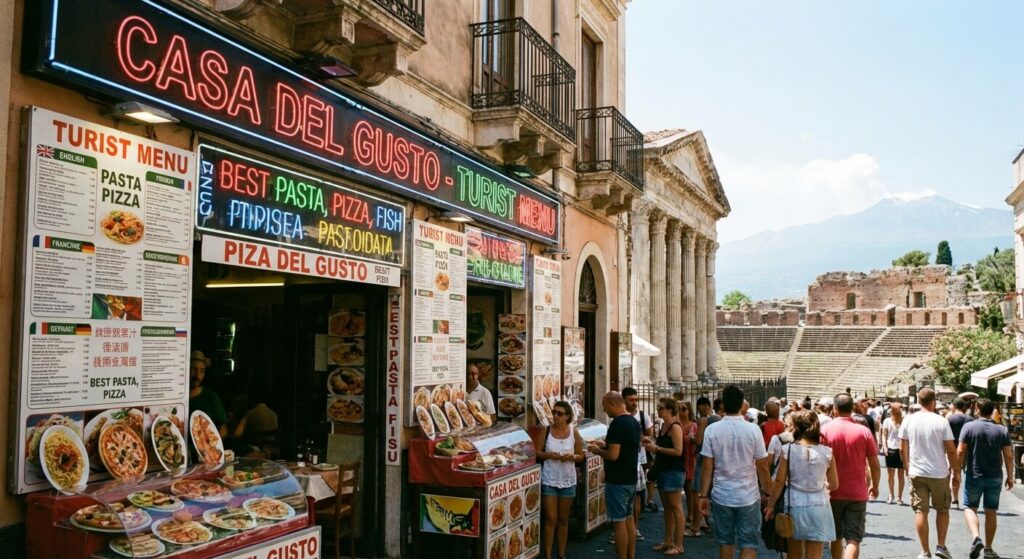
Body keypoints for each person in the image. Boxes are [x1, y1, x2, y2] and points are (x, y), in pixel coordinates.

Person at [698, 385, 772, 559]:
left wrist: (703, 495)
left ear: (723, 404)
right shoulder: (753, 430)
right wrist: (768, 493)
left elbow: (707, 466)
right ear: (741, 404)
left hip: (722, 495)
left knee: (726, 542)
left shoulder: (712, 430)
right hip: (748, 495)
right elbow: (762, 466)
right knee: (749, 544)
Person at [765, 411, 839, 559]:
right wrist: (821, 484)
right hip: (819, 504)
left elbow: (779, 481)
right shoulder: (827, 452)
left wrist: (770, 505)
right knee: (814, 555)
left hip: (794, 504)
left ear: (797, 427)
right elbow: (834, 485)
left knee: (794, 553)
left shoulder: (788, 450)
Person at [900, 388, 958, 559]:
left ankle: (925, 551)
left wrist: (907, 467)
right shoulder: (941, 421)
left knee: (920, 511)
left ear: (919, 401)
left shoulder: (909, 420)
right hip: (939, 472)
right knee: (942, 509)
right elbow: (951, 449)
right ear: (934, 401)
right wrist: (956, 472)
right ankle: (941, 545)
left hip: (917, 471)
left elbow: (903, 447)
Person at [820, 393, 880, 559]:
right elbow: (874, 464)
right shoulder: (863, 431)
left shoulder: (824, 430)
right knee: (853, 538)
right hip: (857, 492)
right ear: (852, 408)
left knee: (835, 536)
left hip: (832, 491)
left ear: (835, 408)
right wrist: (874, 485)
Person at [957, 400, 1014, 559]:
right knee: (991, 511)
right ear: (993, 411)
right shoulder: (1002, 430)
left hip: (974, 475)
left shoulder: (969, 427)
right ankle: (988, 549)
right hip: (995, 476)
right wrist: (1010, 477)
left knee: (970, 507)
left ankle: (976, 537)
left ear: (977, 409)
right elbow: (1009, 455)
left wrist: (956, 472)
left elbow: (960, 451)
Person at [589, 392, 641, 559]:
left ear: (612, 404)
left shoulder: (617, 424)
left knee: (619, 523)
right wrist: (606, 444)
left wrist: (597, 450)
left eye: (605, 406)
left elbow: (613, 455)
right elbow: (625, 447)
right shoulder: (633, 421)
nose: (604, 410)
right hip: (630, 478)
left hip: (617, 480)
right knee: (629, 520)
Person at [533, 400, 585, 559]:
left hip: (568, 479)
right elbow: (536, 452)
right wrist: (548, 455)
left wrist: (572, 457)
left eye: (559, 413)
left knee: (563, 520)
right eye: (554, 412)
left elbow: (581, 455)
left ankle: (561, 554)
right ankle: (548, 555)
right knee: (550, 519)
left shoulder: (574, 432)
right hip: (550, 478)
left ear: (567, 416)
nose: (555, 416)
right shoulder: (546, 431)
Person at [644, 398, 686, 556]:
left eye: (661, 408)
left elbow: (678, 451)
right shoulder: (664, 426)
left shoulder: (675, 427)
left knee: (676, 507)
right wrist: (651, 442)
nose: (658, 411)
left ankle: (678, 544)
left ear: (669, 410)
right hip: (664, 469)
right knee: (668, 508)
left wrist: (657, 448)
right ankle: (668, 541)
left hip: (673, 471)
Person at [622, 387, 655, 521]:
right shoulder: (621, 416)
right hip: (627, 456)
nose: (634, 402)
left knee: (641, 484)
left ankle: (640, 509)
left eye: (636, 399)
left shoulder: (643, 416)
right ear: (624, 400)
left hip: (641, 455)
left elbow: (650, 435)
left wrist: (640, 439)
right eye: (631, 400)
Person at [692, 396, 716, 536]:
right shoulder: (718, 418)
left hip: (702, 457)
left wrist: (691, 438)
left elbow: (698, 441)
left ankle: (696, 526)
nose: (699, 410)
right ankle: (705, 521)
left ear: (705, 406)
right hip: (716, 459)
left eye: (699, 407)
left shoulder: (703, 420)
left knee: (699, 491)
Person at [189, 350, 228, 437]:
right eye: (193, 369)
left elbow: (223, 429)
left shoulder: (210, 396)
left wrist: (211, 442)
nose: (197, 375)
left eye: (202, 371)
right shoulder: (176, 396)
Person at [946, 397, 973, 509]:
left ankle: (950, 498)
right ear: (964, 406)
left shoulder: (949, 419)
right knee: (957, 472)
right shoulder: (970, 419)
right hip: (965, 450)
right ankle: (955, 499)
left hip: (950, 448)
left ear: (954, 406)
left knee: (950, 472)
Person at [678, 401, 699, 536]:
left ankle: (690, 515)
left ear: (689, 411)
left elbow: (695, 441)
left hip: (690, 459)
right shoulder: (676, 424)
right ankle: (681, 515)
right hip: (678, 459)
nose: (681, 411)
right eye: (679, 409)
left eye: (684, 409)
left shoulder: (693, 425)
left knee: (689, 489)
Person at [881, 402, 907, 505]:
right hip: (890, 448)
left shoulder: (904, 421)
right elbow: (884, 435)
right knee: (890, 473)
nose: (897, 413)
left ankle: (899, 497)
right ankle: (891, 494)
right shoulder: (887, 421)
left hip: (901, 449)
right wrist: (884, 446)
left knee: (901, 474)